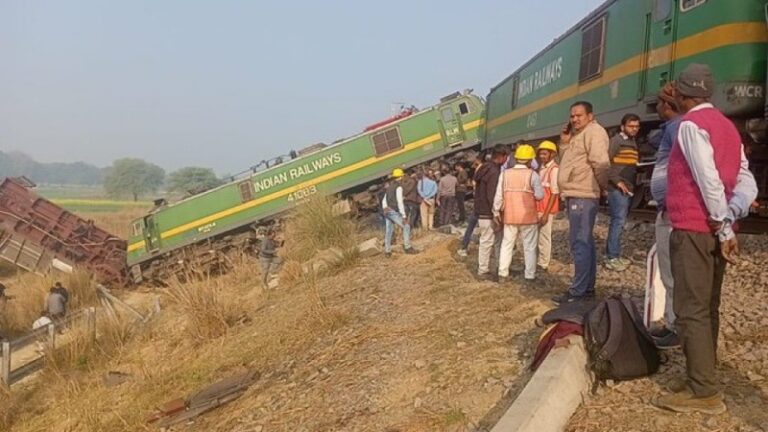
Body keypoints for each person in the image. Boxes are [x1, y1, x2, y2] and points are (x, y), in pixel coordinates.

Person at [652, 64, 758, 415]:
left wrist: (722, 225)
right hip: (716, 228)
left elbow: (708, 180)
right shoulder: (728, 128)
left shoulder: (689, 126)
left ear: (681, 96)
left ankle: (704, 392)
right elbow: (746, 180)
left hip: (695, 230)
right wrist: (731, 215)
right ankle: (701, 375)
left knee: (690, 310)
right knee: (707, 307)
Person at [552, 101, 610, 304]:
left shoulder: (594, 133)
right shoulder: (578, 135)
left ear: (590, 116)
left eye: (579, 115)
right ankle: (586, 289)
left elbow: (600, 162)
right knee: (585, 242)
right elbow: (568, 163)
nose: (575, 119)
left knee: (580, 242)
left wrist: (604, 186)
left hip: (584, 195)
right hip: (577, 193)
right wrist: (565, 143)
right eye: (572, 116)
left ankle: (578, 292)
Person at [646, 82, 683, 348]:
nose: (656, 108)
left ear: (667, 106)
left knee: (671, 272)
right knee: (670, 271)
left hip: (673, 211)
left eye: (659, 103)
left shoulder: (680, 128)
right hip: (668, 208)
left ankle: (676, 326)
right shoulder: (673, 128)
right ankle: (673, 323)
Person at [494, 145, 544, 282]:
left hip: (510, 216)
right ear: (529, 160)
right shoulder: (533, 175)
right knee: (529, 246)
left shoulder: (505, 174)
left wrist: (496, 212)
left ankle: (502, 274)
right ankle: (529, 276)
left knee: (507, 244)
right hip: (528, 217)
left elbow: (498, 196)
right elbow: (539, 196)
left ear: (516, 159)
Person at [605, 113, 641, 271]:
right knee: (618, 221)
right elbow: (605, 164)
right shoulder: (616, 141)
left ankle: (614, 255)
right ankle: (612, 258)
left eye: (637, 126)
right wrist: (617, 181)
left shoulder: (632, 142)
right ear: (622, 127)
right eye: (631, 126)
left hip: (627, 188)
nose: (634, 129)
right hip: (617, 188)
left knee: (619, 221)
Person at [475, 145, 509, 281]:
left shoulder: (483, 169)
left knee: (485, 241)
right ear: (502, 157)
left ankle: (483, 268)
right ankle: (497, 268)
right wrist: (496, 213)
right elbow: (492, 194)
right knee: (497, 241)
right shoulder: (494, 172)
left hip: (481, 211)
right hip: (489, 213)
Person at [535, 141, 560, 272]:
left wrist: (546, 214)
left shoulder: (554, 170)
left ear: (552, 154)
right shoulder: (542, 168)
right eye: (540, 153)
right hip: (538, 208)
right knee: (538, 236)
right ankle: (538, 261)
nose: (542, 156)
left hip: (546, 210)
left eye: (545, 154)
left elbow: (555, 193)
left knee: (544, 237)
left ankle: (543, 264)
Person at [382, 168, 418, 257]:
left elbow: (384, 200)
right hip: (392, 210)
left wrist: (385, 208)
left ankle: (387, 251)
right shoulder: (398, 187)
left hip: (386, 210)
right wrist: (404, 215)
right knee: (406, 226)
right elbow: (400, 202)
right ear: (401, 177)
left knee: (389, 230)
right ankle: (407, 247)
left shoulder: (389, 187)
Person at [457, 156, 485, 257]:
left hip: (478, 204)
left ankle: (464, 247)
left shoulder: (478, 174)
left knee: (471, 225)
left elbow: (475, 187)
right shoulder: (487, 173)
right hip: (484, 205)